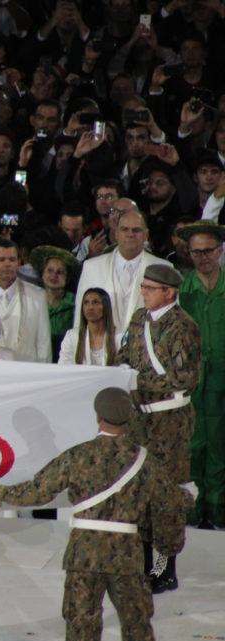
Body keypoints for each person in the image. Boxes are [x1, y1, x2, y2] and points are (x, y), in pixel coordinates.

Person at [0, 387, 192, 641]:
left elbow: (38, 491)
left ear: (97, 417)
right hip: (126, 556)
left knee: (81, 622)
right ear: (129, 419)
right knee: (137, 622)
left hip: (84, 554)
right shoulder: (145, 462)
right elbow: (169, 505)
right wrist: (168, 547)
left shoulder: (78, 456)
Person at [120, 264, 202, 593]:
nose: (145, 292)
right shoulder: (139, 319)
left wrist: (136, 380)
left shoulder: (184, 327)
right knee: (138, 491)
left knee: (165, 495)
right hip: (139, 418)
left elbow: (184, 377)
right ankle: (141, 564)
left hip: (170, 421)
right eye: (144, 286)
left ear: (169, 292)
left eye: (151, 288)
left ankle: (164, 567)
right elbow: (125, 353)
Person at [176, 221, 225, 529]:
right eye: (196, 252)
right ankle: (193, 512)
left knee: (221, 448)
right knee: (192, 448)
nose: (202, 257)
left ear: (220, 251)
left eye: (208, 251)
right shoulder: (182, 291)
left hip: (223, 382)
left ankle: (219, 511)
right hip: (192, 383)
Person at [73, 210, 170, 332]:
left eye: (136, 230)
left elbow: (171, 321)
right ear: (116, 234)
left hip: (146, 349)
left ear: (146, 235)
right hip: (102, 348)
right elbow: (80, 319)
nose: (130, 234)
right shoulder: (91, 267)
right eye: (125, 229)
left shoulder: (165, 269)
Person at [31, 246, 79, 363]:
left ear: (67, 278)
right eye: (50, 270)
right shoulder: (32, 302)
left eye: (60, 272)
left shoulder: (76, 304)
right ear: (42, 274)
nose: (54, 275)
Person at [59, 288, 122, 367]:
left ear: (106, 307)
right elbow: (64, 367)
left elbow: (124, 367)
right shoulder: (71, 336)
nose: (90, 307)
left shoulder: (120, 337)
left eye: (95, 302)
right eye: (86, 303)